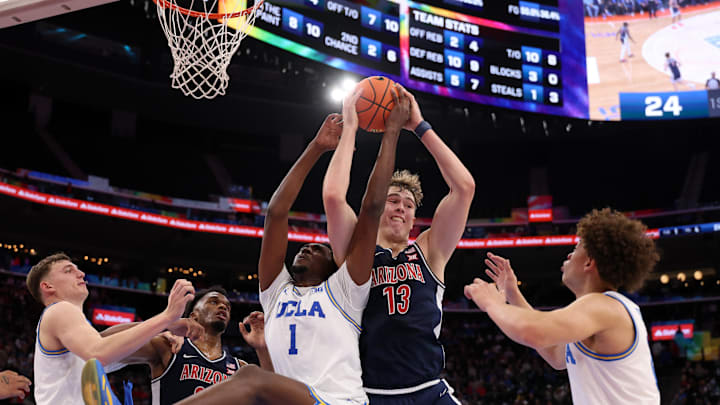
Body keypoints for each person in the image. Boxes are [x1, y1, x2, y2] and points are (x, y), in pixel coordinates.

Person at [138, 87, 408, 405]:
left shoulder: (346, 289)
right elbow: (277, 213)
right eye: (306, 245)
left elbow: (372, 208)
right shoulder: (276, 291)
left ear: (334, 265)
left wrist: (391, 132)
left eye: (318, 249)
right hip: (295, 400)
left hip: (338, 402)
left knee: (249, 378)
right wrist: (317, 146)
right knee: (250, 384)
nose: (307, 246)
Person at [323, 85, 475, 404]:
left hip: (428, 391)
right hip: (367, 393)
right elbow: (334, 197)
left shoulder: (429, 250)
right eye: (393, 200)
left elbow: (464, 187)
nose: (401, 208)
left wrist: (419, 126)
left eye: (408, 205)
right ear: (380, 208)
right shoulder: (356, 247)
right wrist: (351, 126)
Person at [464, 208, 661, 404]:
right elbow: (555, 355)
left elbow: (533, 332)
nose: (569, 255)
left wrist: (492, 303)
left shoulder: (603, 306)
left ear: (588, 263)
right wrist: (513, 294)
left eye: (576, 249)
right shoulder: (602, 310)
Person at [26, 252, 199, 405]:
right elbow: (98, 352)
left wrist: (169, 325)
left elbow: (108, 339)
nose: (81, 273)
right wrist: (167, 317)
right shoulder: (60, 309)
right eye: (68, 270)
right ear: (48, 286)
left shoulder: (72, 336)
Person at [87, 286, 273, 405]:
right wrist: (167, 322)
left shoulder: (240, 368)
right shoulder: (170, 347)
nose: (223, 307)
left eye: (227, 306)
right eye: (214, 302)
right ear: (193, 315)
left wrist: (262, 348)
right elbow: (102, 342)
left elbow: (274, 397)